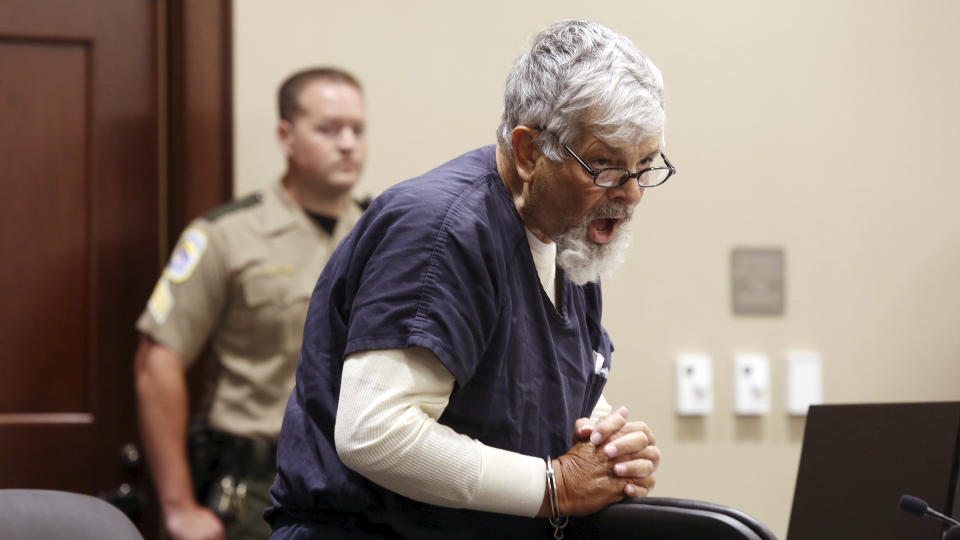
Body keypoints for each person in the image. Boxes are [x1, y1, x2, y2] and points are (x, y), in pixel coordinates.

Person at [267, 19, 677, 539]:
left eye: (644, 165)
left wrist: (611, 449)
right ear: (529, 153)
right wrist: (556, 486)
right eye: (603, 165)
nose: (632, 192)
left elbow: (526, 392)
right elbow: (374, 431)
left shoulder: (568, 233)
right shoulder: (441, 231)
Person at [134, 67, 369, 540]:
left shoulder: (378, 233)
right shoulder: (226, 236)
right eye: (328, 129)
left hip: (358, 484)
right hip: (256, 485)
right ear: (286, 136)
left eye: (357, 130)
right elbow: (156, 364)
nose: (347, 144)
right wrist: (178, 506)